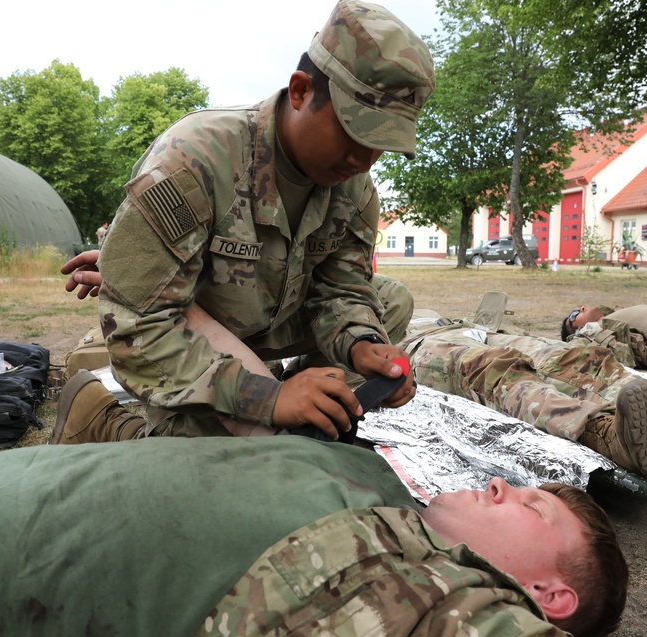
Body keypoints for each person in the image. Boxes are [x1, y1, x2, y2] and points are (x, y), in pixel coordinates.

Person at [0, 434, 627, 637]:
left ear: (549, 596)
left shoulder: (451, 610)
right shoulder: (370, 476)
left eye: (531, 506)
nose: (498, 486)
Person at [78, 0, 433, 442]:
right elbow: (136, 326)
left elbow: (342, 290)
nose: (363, 160)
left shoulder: (355, 190)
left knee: (390, 301)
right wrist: (264, 398)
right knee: (223, 465)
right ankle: (102, 419)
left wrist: (362, 345)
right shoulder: (193, 161)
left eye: (381, 144)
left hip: (272, 323)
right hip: (194, 330)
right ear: (301, 90)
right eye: (355, 130)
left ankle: (309, 408)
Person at [404, 313, 647, 489]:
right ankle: (605, 433)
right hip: (414, 344)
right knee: (492, 369)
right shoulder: (363, 307)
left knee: (582, 359)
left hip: (477, 329)